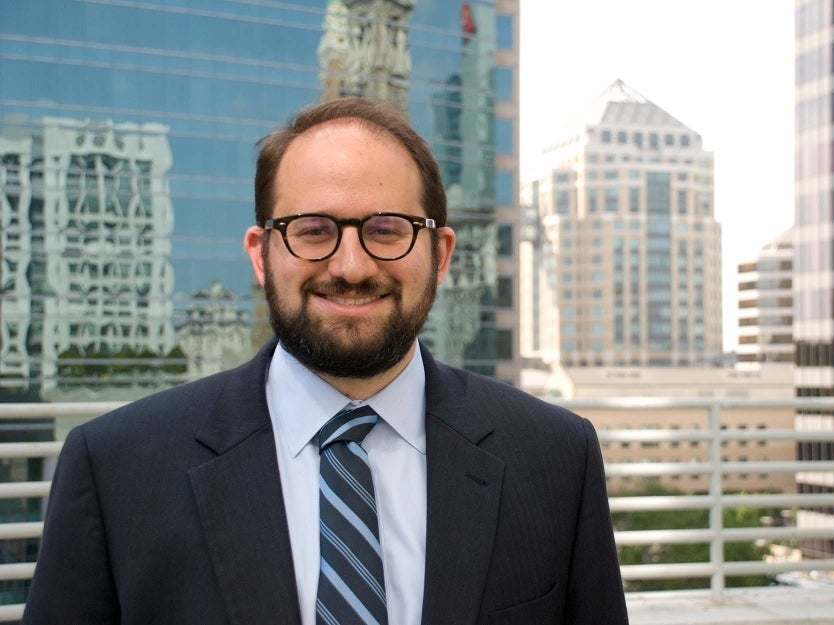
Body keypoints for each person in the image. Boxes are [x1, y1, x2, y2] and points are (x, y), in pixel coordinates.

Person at [22, 97, 628, 625]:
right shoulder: (116, 470)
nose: (351, 266)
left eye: (387, 229)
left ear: (440, 254)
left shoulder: (554, 458)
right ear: (262, 255)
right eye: (313, 230)